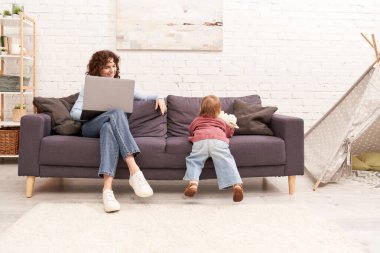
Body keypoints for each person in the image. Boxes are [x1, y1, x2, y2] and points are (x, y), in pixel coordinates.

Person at [70, 50, 167, 212]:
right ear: (97, 69)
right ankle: (134, 171)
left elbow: (144, 96)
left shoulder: (123, 86)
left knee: (109, 127)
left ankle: (107, 191)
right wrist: (93, 110)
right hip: (90, 127)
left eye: (113, 66)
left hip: (107, 128)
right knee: (115, 111)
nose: (112, 70)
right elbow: (74, 113)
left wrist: (159, 96)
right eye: (107, 67)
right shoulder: (89, 86)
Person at [183, 95, 244, 202]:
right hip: (218, 141)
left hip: (200, 141)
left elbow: (191, 130)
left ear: (201, 108)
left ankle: (193, 183)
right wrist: (231, 127)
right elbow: (228, 133)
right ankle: (237, 185)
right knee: (227, 160)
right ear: (218, 109)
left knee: (194, 161)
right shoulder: (221, 121)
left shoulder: (197, 120)